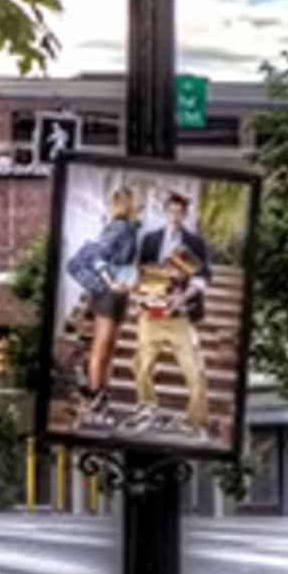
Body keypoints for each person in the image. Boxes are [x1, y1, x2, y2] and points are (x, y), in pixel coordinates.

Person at [126, 190, 215, 432]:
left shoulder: (195, 243)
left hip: (180, 316)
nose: (175, 215)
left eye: (179, 211)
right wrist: (138, 299)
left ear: (185, 214)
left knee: (194, 371)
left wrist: (184, 296)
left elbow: (204, 276)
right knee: (140, 366)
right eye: (171, 211)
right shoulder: (151, 239)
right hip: (151, 314)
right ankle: (147, 404)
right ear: (165, 212)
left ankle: (194, 419)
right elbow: (140, 272)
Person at [64, 181, 146, 402]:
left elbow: (124, 263)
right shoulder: (119, 227)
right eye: (137, 199)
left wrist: (132, 282)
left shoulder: (131, 229)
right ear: (127, 204)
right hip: (108, 295)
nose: (141, 203)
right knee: (102, 345)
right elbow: (98, 257)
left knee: (110, 347)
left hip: (120, 294)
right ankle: (94, 390)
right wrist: (110, 282)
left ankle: (103, 392)